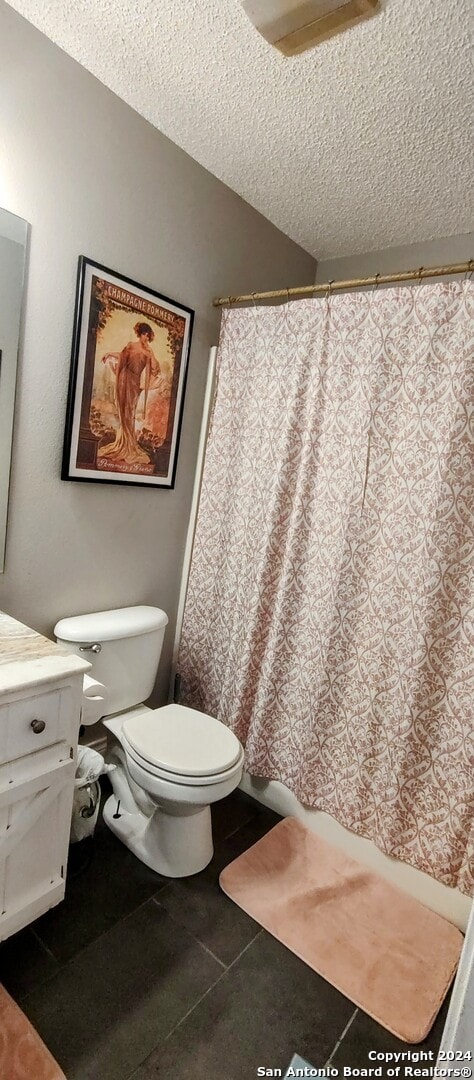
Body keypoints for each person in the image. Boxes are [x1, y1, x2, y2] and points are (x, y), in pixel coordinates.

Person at [98, 322, 160, 466]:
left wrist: (152, 354)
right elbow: (121, 356)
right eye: (144, 334)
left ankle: (128, 443)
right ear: (140, 334)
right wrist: (108, 354)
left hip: (135, 382)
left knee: (130, 411)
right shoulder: (132, 345)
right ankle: (123, 441)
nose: (145, 337)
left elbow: (155, 368)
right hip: (125, 379)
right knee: (124, 408)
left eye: (148, 335)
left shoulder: (148, 352)